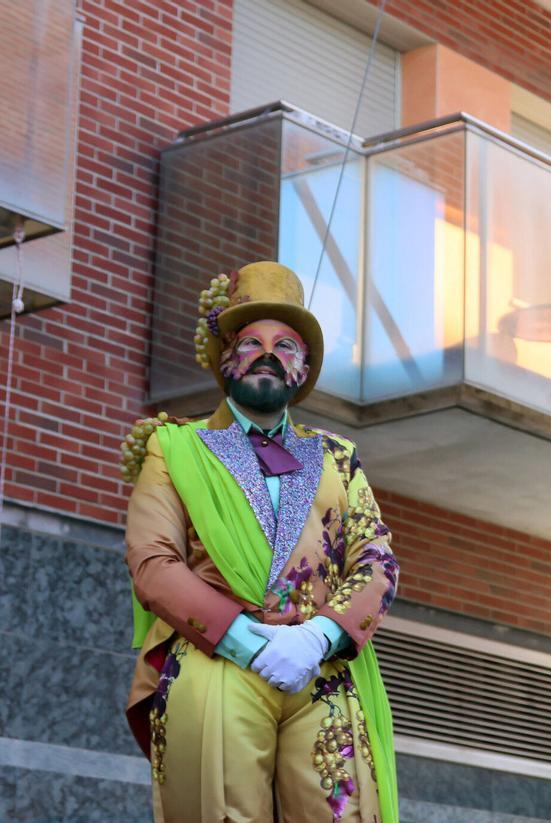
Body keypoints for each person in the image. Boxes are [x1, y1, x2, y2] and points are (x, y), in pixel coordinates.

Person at [121, 261, 399, 822]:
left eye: (286, 345)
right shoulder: (174, 447)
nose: (268, 354)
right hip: (215, 657)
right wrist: (246, 642)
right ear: (225, 357)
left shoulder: (338, 457)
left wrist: (318, 637)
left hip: (318, 669)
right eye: (250, 341)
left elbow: (376, 560)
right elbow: (153, 563)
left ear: (304, 368)